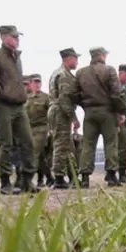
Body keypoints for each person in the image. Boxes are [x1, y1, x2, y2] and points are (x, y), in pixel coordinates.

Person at [0, 25, 37, 195]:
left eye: (18, 37)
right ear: (4, 37)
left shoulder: (17, 58)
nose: (17, 40)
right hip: (2, 106)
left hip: (19, 106)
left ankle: (26, 179)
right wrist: (4, 93)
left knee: (28, 142)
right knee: (5, 144)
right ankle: (5, 181)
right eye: (14, 37)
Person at [74, 46, 125, 187]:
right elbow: (116, 94)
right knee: (111, 143)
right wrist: (121, 111)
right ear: (102, 56)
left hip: (89, 113)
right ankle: (111, 176)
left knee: (88, 144)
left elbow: (75, 95)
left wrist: (86, 106)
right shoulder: (109, 70)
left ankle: (85, 178)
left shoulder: (81, 73)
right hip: (107, 112)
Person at [47, 48, 81, 189]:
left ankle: (71, 176)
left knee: (67, 145)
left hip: (57, 110)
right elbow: (64, 99)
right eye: (75, 59)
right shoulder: (64, 75)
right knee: (61, 145)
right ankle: (59, 178)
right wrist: (74, 118)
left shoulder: (57, 73)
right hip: (60, 112)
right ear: (69, 59)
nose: (77, 62)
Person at [24, 74, 52, 187]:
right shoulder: (24, 98)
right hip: (28, 129)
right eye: (35, 82)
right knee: (41, 157)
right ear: (30, 84)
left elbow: (52, 113)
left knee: (34, 152)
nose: (37, 84)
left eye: (39, 82)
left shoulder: (45, 97)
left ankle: (27, 179)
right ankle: (49, 178)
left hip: (42, 129)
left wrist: (51, 129)